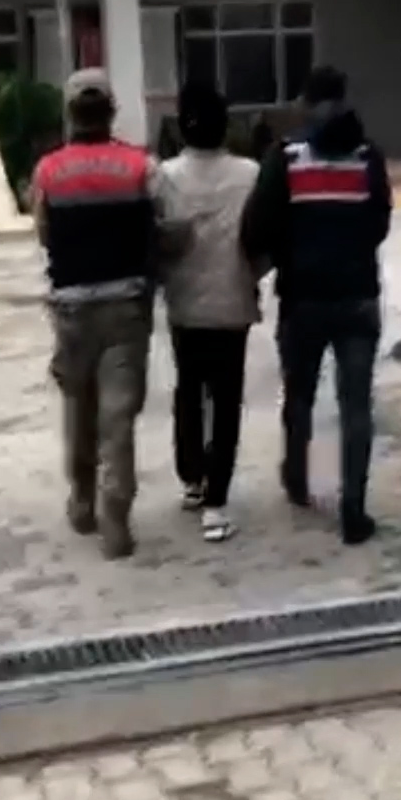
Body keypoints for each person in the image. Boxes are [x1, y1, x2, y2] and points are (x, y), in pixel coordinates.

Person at [240, 66, 393, 546]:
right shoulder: (368, 157)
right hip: (358, 297)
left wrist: (287, 254)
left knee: (299, 394)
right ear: (344, 99)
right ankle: (354, 508)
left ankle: (297, 478)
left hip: (302, 298)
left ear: (306, 104)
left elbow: (257, 226)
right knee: (356, 404)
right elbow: (379, 223)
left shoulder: (286, 156)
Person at [29, 69, 163, 560]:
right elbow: (162, 227)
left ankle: (82, 500)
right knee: (118, 414)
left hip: (71, 310)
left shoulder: (48, 171)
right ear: (111, 111)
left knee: (78, 406)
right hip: (126, 307)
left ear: (70, 113)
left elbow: (44, 233)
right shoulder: (140, 166)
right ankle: (116, 518)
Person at [157, 82, 263, 543]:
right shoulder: (251, 173)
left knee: (189, 390)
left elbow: (159, 240)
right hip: (233, 301)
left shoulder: (164, 176)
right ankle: (217, 501)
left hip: (184, 304)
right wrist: (252, 272)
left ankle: (192, 479)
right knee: (226, 400)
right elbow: (263, 237)